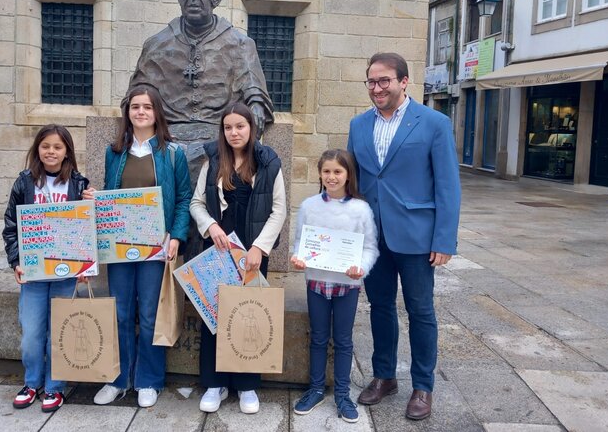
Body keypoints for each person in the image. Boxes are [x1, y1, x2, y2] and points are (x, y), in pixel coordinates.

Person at [347, 52, 461, 421]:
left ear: (403, 82)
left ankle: (422, 386)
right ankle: (384, 377)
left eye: (384, 81)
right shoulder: (359, 125)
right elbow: (353, 182)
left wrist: (444, 240)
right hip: (373, 236)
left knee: (421, 311)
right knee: (380, 308)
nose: (377, 88)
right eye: (372, 82)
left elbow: (448, 185)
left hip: (416, 236)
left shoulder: (433, 123)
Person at [92, 86, 192, 409]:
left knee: (150, 314)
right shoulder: (114, 151)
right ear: (128, 112)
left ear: (156, 113)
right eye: (135, 107)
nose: (141, 112)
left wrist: (175, 236)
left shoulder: (172, 154)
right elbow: (111, 194)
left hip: (155, 248)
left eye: (147, 107)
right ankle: (118, 379)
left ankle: (149, 379)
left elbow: (182, 200)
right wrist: (97, 201)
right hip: (120, 247)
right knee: (120, 313)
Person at [189, 102, 286, 415]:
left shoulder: (268, 162)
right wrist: (211, 226)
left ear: (251, 128)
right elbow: (196, 203)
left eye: (240, 127)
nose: (234, 133)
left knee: (250, 315)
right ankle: (214, 384)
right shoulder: (214, 160)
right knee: (214, 316)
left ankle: (246, 385)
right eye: (228, 127)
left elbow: (279, 210)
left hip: (252, 253)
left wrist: (260, 247)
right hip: (219, 250)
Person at [3, 124, 94, 413]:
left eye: (57, 147)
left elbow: (87, 228)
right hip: (34, 273)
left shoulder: (79, 184)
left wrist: (85, 265)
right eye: (46, 146)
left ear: (67, 151)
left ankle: (54, 387)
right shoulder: (24, 183)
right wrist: (16, 261)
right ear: (37, 150)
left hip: (66, 273)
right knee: (31, 332)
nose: (51, 152)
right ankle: (31, 382)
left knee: (60, 330)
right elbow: (10, 227)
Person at [126, 0, 274, 138]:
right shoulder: (156, 45)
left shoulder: (241, 44)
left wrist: (256, 109)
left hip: (222, 135)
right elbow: (135, 98)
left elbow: (255, 93)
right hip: (166, 137)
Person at [290, 149, 379, 424]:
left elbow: (370, 247)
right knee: (317, 337)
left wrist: (361, 268)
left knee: (343, 340)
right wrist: (298, 258)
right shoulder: (309, 206)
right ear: (319, 173)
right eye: (326, 171)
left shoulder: (360, 209)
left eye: (338, 172)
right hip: (316, 282)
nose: (332, 177)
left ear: (348, 175)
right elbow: (300, 242)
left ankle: (342, 393)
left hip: (346, 286)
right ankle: (316, 388)